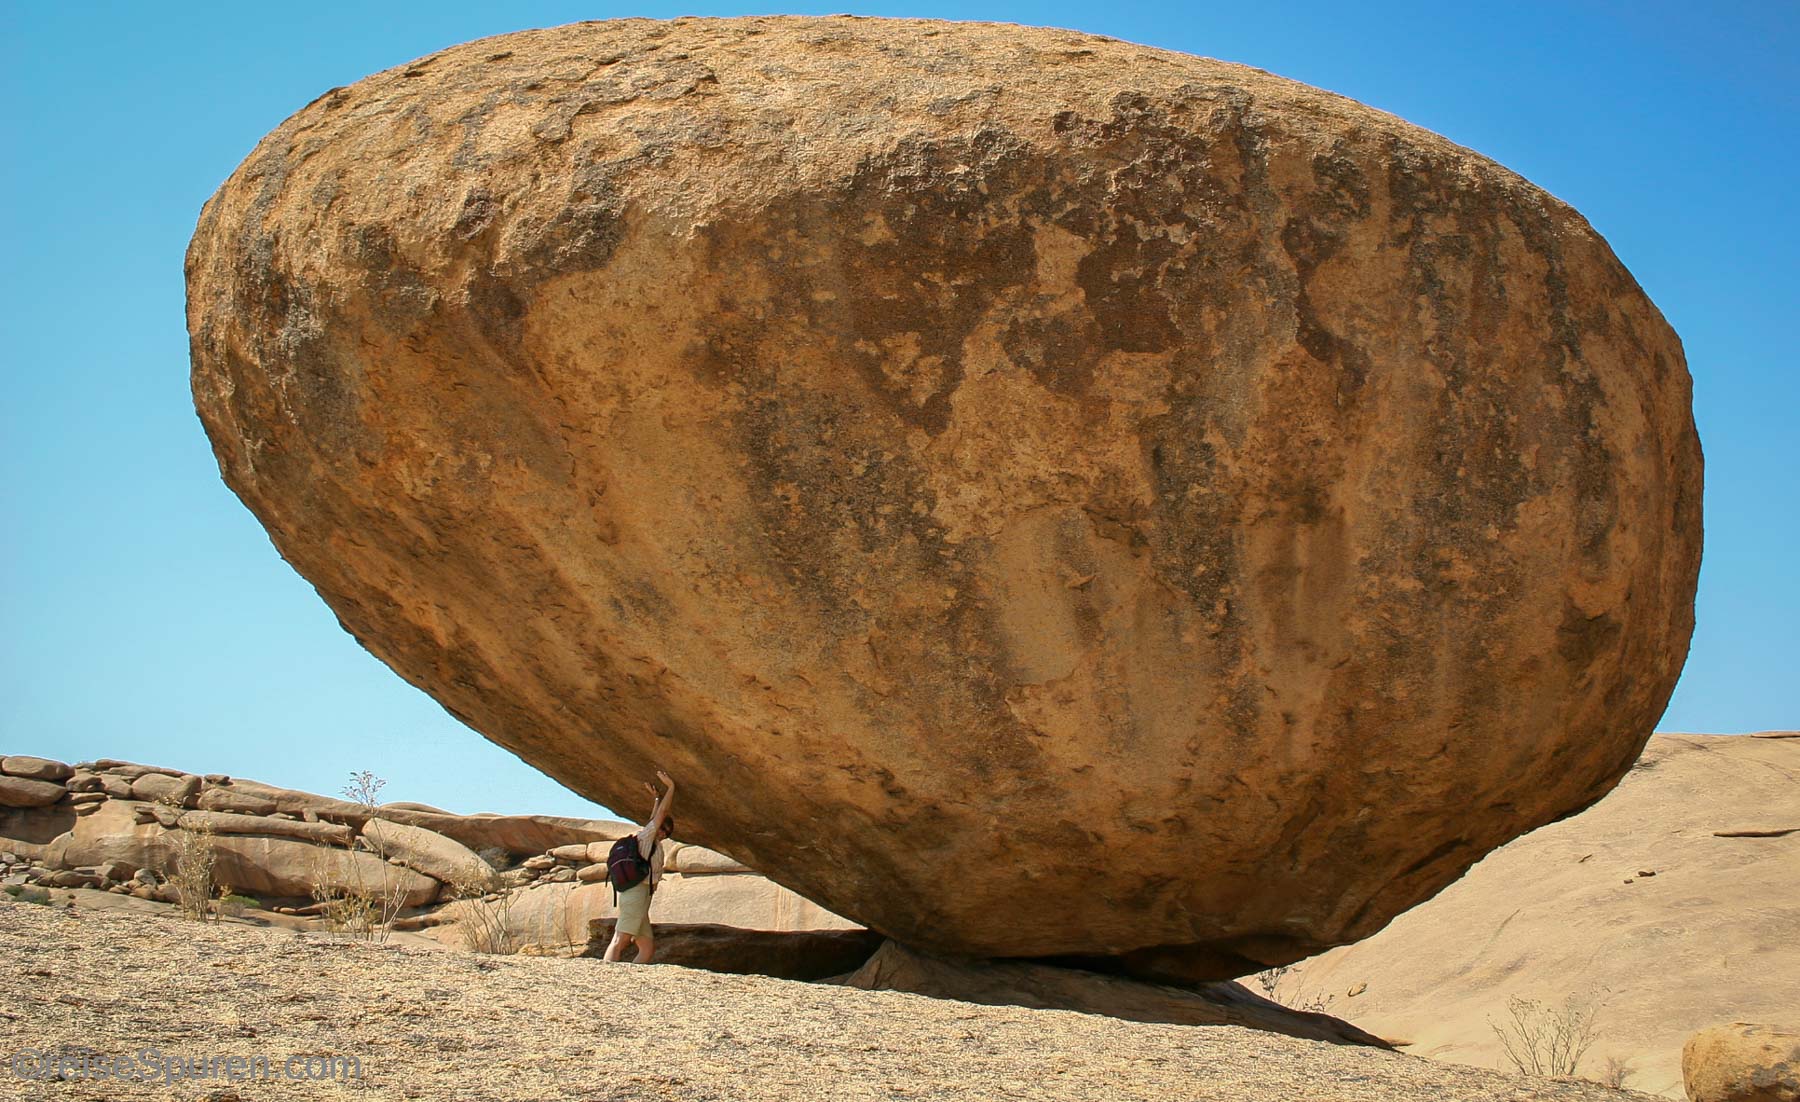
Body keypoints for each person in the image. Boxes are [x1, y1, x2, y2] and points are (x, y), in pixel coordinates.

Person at [603, 770, 675, 964]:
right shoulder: (645, 837)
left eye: (668, 833)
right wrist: (671, 788)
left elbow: (654, 819)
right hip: (636, 893)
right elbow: (659, 816)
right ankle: (605, 974)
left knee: (647, 946)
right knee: (620, 939)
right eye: (662, 829)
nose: (663, 833)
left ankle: (631, 978)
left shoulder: (650, 840)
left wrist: (657, 798)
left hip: (642, 896)